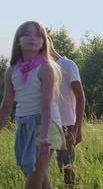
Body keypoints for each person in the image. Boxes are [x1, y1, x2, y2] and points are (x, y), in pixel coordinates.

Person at [0, 21, 65, 189]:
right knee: (41, 181)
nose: (33, 38)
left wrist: (43, 138)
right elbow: (6, 105)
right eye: (27, 34)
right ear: (18, 40)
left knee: (33, 182)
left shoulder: (45, 69)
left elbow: (46, 106)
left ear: (44, 41)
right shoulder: (11, 71)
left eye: (38, 35)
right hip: (24, 127)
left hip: (46, 127)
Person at [49, 38, 85, 187]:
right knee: (37, 169)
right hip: (44, 124)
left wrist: (77, 128)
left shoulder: (67, 65)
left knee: (67, 169)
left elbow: (80, 96)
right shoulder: (39, 68)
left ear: (47, 42)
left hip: (66, 126)